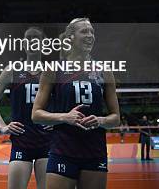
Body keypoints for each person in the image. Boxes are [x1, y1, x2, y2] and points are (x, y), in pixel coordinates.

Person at [32, 18, 121, 189]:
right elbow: (36, 115)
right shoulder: (53, 70)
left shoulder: (104, 71)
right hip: (62, 150)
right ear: (70, 37)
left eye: (92, 32)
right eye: (84, 31)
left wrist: (101, 120)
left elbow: (116, 118)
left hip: (95, 152)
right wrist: (65, 117)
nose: (90, 36)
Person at [0, 27, 51, 189]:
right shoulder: (12, 70)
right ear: (23, 43)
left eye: (36, 38)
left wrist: (59, 120)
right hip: (21, 141)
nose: (33, 42)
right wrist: (2, 126)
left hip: (48, 141)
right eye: (28, 38)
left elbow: (66, 102)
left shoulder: (52, 72)